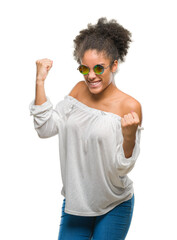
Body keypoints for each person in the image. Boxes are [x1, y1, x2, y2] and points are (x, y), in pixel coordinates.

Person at [29, 17, 144, 240]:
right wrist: (40, 82)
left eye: (99, 68)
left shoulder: (129, 106)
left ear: (114, 65)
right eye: (84, 68)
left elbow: (122, 167)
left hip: (114, 204)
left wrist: (129, 136)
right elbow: (45, 128)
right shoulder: (79, 91)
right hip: (76, 204)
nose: (90, 76)